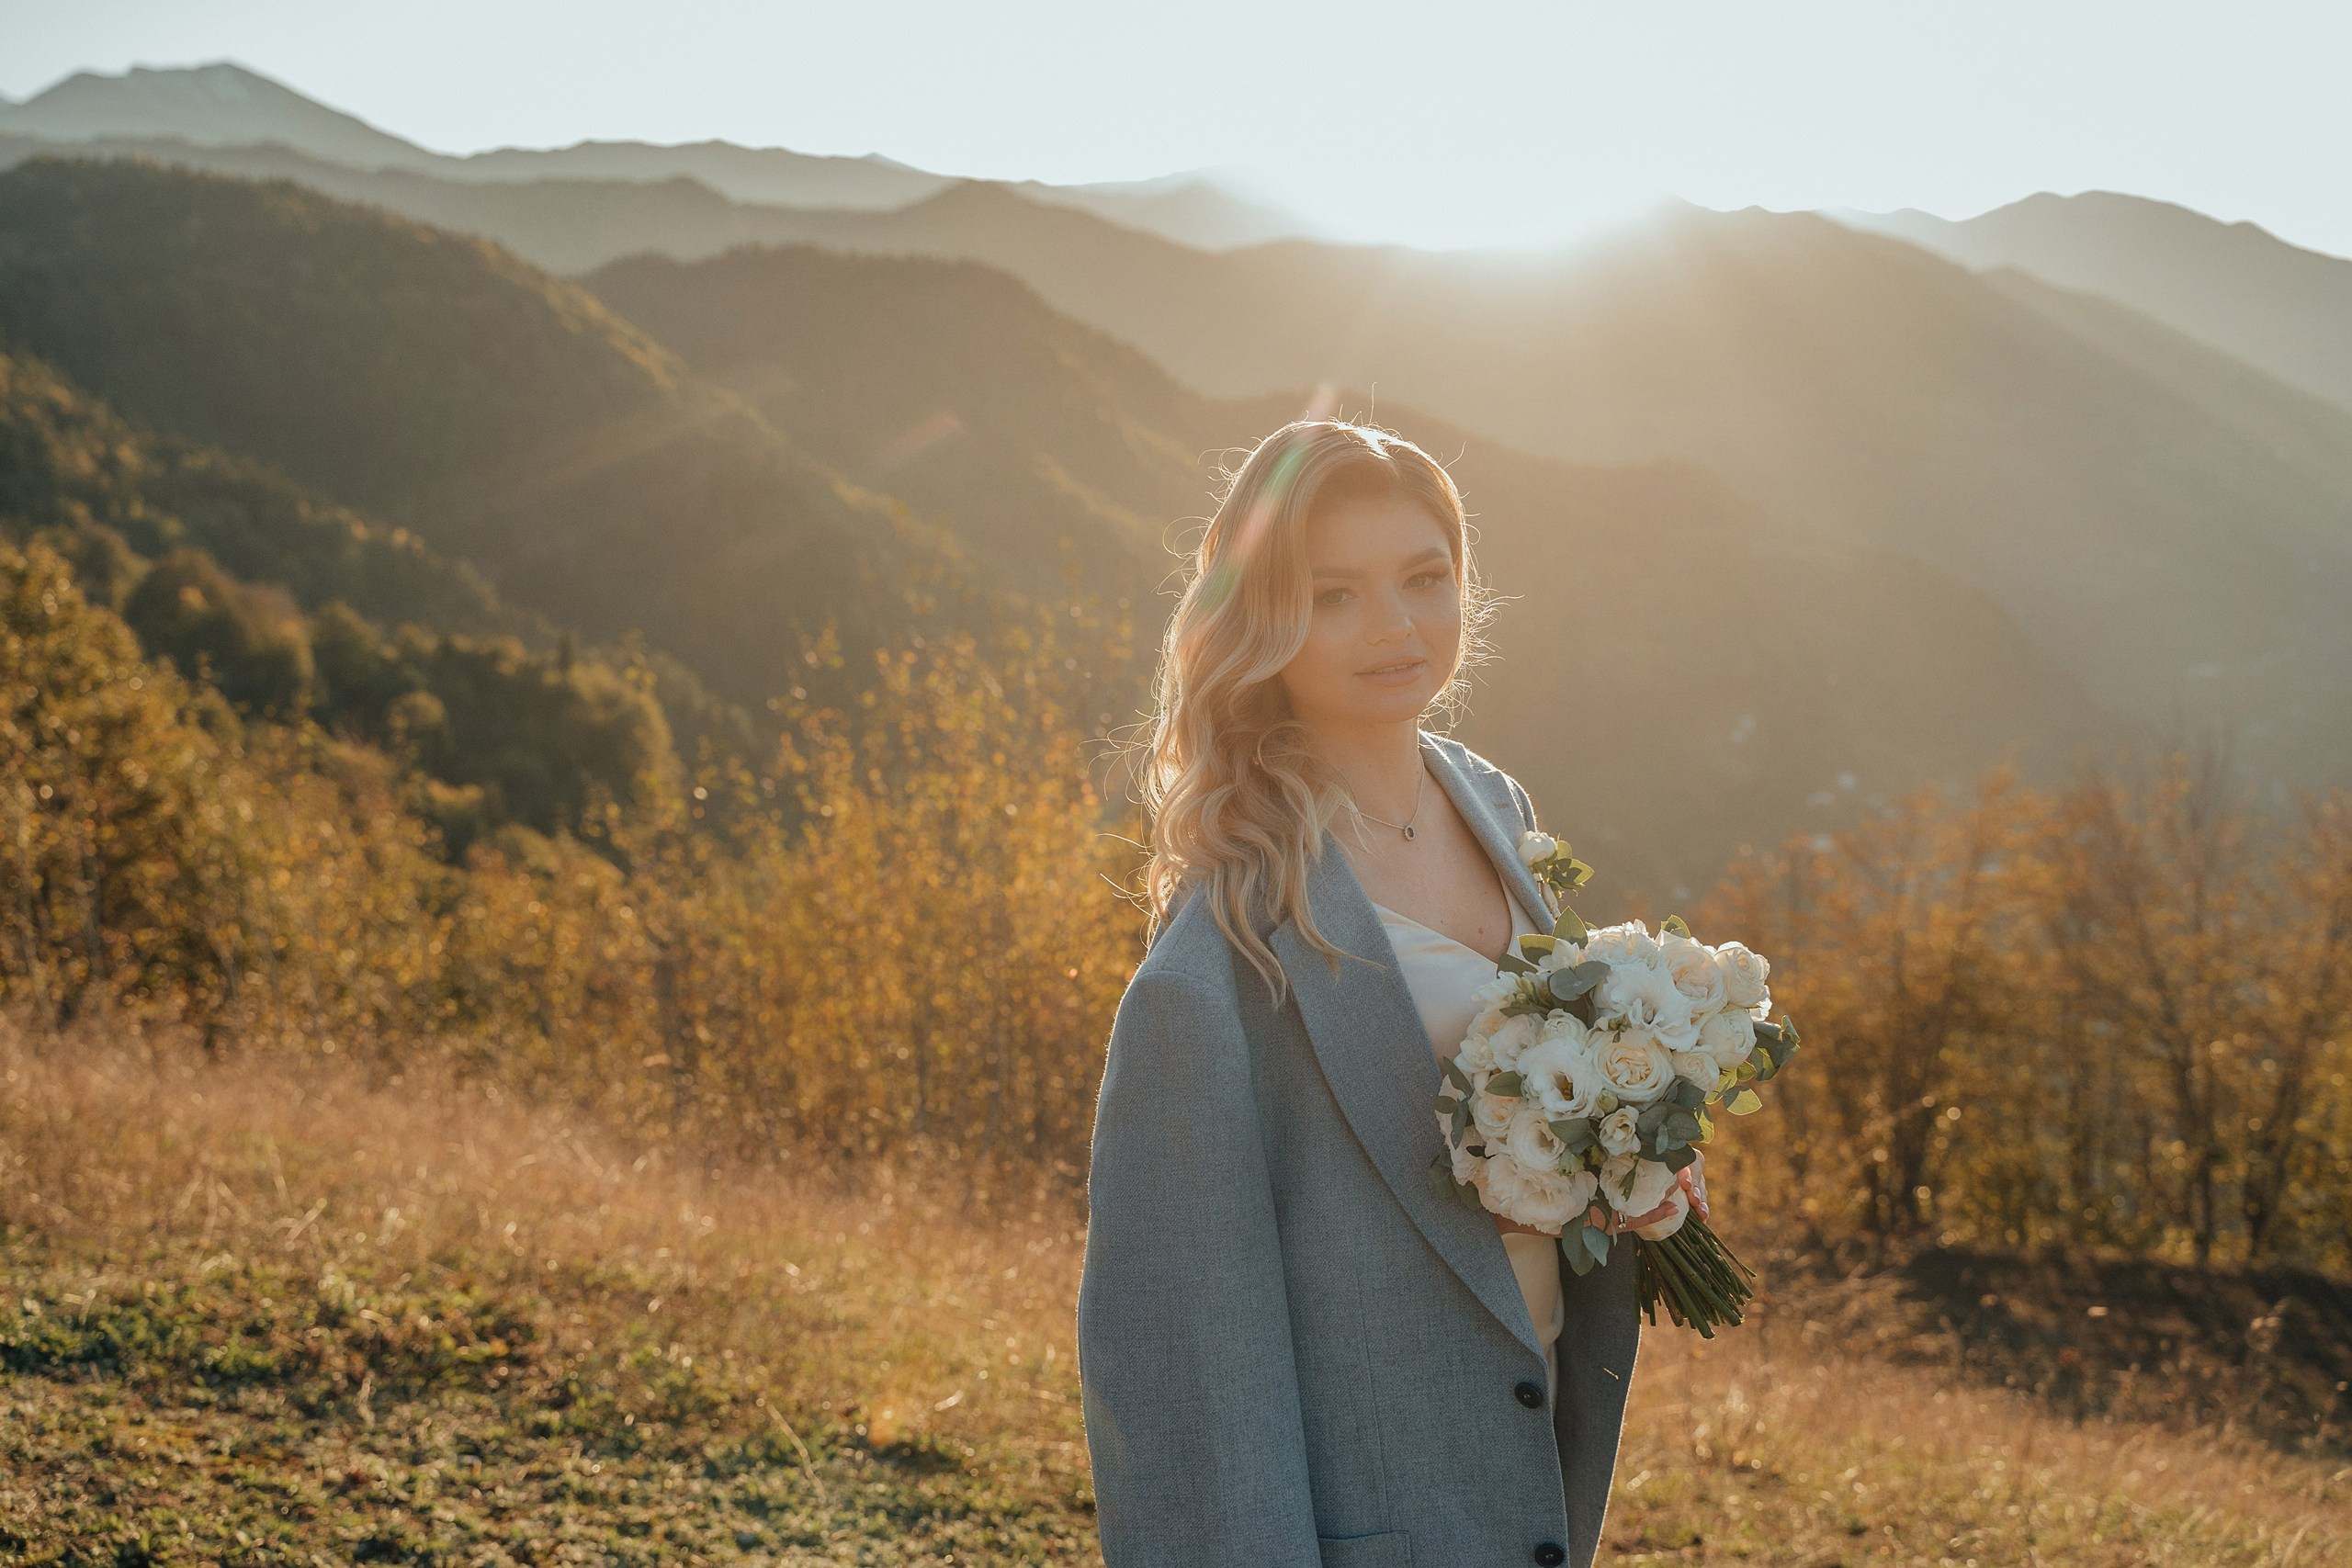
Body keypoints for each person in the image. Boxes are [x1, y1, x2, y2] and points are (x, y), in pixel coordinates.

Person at [1077, 420, 1703, 1568]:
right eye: (1335, 595)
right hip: (1370, 1518)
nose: (1398, 626)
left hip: (1531, 1473)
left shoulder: (1494, 805)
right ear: (1260, 621)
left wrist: (1629, 1153)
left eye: (1425, 578)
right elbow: (1178, 1363)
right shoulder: (1222, 956)